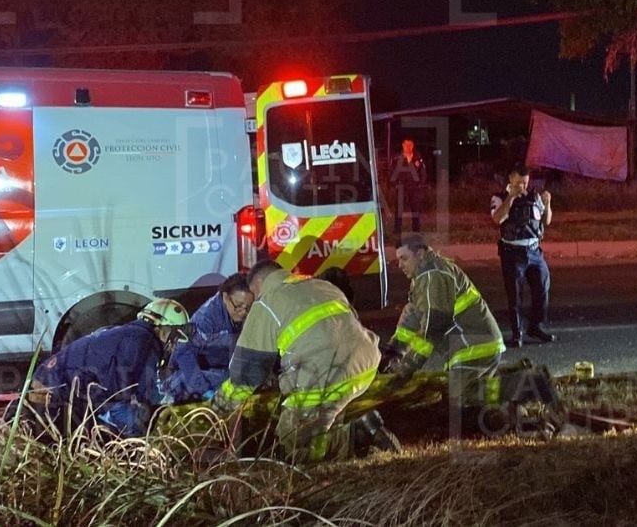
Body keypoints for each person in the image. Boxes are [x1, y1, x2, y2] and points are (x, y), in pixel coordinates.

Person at [212, 260, 386, 463]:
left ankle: (358, 435)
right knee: (320, 425)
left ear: (258, 284)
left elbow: (247, 373)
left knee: (291, 446)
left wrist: (219, 407)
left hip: (322, 377)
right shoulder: (323, 285)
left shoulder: (267, 302)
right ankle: (348, 438)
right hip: (364, 367)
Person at [385, 233, 505, 433]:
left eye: (404, 259)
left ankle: (519, 388)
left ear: (420, 254)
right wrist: (392, 352)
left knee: (459, 402)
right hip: (470, 347)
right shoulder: (424, 276)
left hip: (474, 348)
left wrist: (407, 367)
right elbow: (412, 317)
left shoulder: (434, 277)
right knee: (458, 398)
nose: (400, 265)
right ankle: (504, 387)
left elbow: (432, 328)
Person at [27, 299, 190, 436]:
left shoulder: (128, 335)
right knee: (136, 427)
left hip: (47, 388)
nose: (174, 346)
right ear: (165, 331)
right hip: (55, 401)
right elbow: (127, 398)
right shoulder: (145, 343)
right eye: (176, 338)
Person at [162, 274, 255, 404]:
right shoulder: (205, 320)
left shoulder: (243, 313)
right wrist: (205, 392)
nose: (243, 312)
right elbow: (184, 356)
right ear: (225, 297)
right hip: (190, 374)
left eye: (248, 307)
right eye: (238, 306)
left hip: (222, 367)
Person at [490, 163, 554, 347]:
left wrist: (547, 204)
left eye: (525, 183)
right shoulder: (499, 198)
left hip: (534, 252)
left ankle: (536, 326)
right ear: (511, 179)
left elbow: (546, 221)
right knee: (515, 295)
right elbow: (497, 218)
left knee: (542, 288)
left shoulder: (534, 196)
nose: (523, 186)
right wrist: (511, 197)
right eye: (519, 182)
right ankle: (517, 334)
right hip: (513, 253)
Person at [390, 138, 428, 237]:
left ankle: (416, 230)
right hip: (401, 187)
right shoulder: (397, 158)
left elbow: (422, 172)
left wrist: (421, 184)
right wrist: (394, 184)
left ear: (413, 145)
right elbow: (392, 172)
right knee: (399, 209)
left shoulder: (417, 157)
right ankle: (397, 230)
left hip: (414, 187)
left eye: (410, 145)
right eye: (406, 145)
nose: (408, 147)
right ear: (403, 145)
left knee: (416, 209)